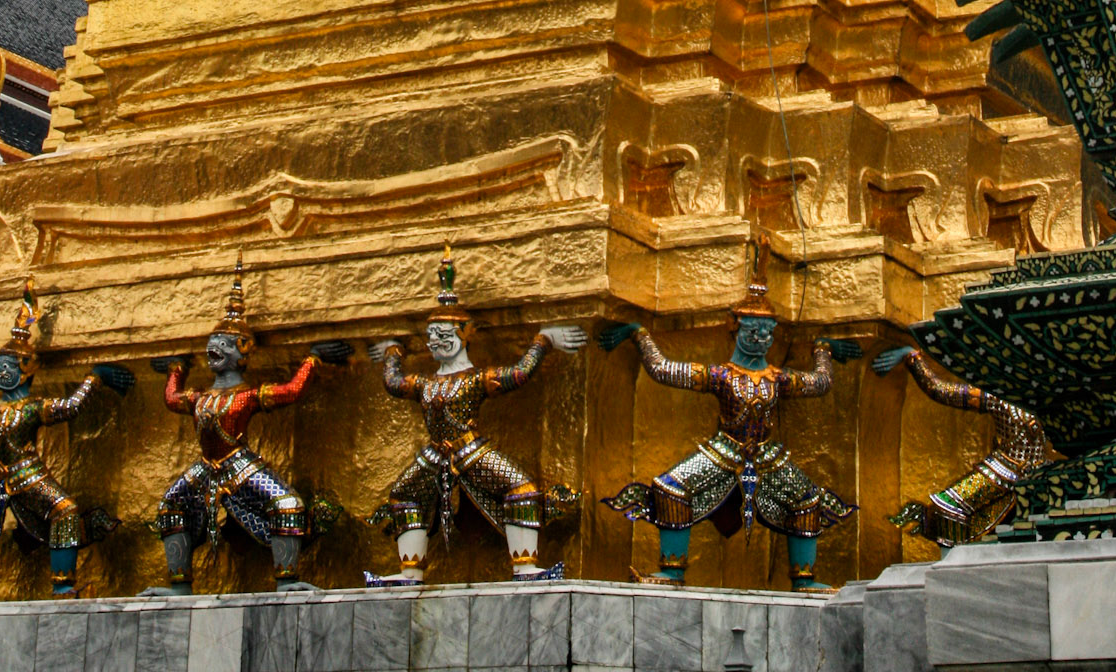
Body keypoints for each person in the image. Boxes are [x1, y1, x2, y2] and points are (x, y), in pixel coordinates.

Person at [599, 245, 860, 590]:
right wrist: (639, 334)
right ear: (735, 329)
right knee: (670, 487)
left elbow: (820, 383)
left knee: (808, 499)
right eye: (753, 331)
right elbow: (663, 370)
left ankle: (804, 579)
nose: (762, 339)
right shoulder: (722, 376)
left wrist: (824, 350)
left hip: (767, 456)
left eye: (767, 333)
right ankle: (672, 571)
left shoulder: (777, 378)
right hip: (724, 451)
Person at [365, 248, 586, 585]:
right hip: (434, 454)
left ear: (464, 335)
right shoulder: (424, 382)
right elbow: (393, 384)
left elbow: (519, 374)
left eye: (443, 335)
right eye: (431, 338)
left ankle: (524, 567)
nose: (435, 343)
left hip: (470, 451)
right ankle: (409, 571)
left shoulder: (476, 379)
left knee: (522, 490)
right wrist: (392, 353)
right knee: (403, 494)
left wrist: (543, 340)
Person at [153, 254, 351, 591]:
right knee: (170, 504)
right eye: (212, 344)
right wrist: (175, 369)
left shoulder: (248, 396)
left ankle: (286, 578)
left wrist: (312, 360)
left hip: (240, 464)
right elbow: (172, 399)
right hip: (205, 467)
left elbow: (291, 391)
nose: (214, 348)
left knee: (287, 505)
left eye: (224, 344)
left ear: (242, 352)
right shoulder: (200, 398)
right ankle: (179, 584)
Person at [0, 283, 131, 599]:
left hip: (29, 474)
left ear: (26, 370)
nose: (0, 374)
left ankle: (62, 584)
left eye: (6, 368)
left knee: (66, 510)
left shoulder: (33, 407)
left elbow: (71, 407)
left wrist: (94, 378)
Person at [874, 341, 1051, 545]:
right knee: (946, 509)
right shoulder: (997, 397)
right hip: (1004, 469)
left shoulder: (1048, 397)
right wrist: (913, 358)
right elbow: (939, 389)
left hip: (1039, 472)